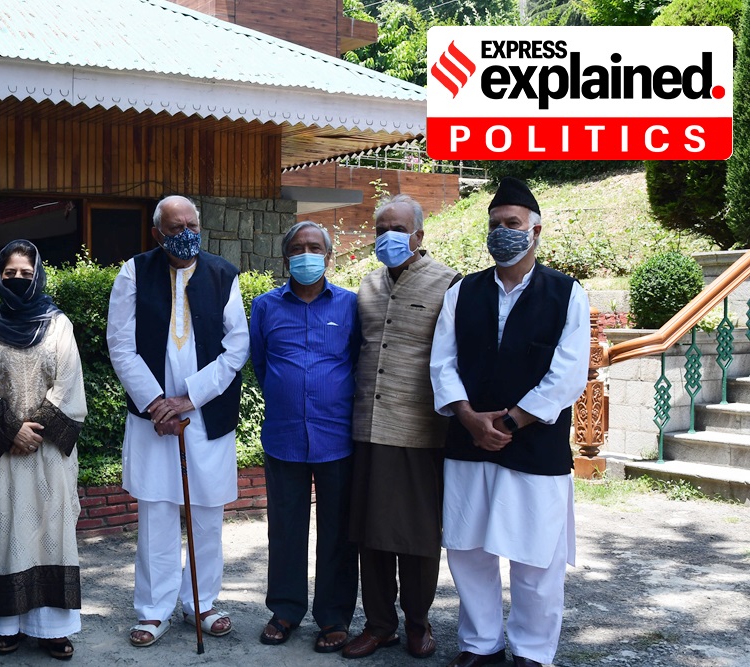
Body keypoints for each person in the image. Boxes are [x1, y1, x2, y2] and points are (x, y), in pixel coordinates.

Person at [430, 178, 589, 667]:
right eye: (495, 225)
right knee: (469, 550)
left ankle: (532, 651)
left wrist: (514, 420)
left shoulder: (566, 293)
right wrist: (470, 418)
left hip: (535, 445)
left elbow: (568, 373)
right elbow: (443, 362)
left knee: (535, 556)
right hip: (468, 439)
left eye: (513, 224)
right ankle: (481, 644)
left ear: (536, 230)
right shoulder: (463, 291)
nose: (503, 232)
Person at [106, 194, 249, 647]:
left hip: (206, 414)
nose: (185, 232)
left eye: (191, 223)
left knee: (207, 514)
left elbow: (238, 346)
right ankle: (154, 611)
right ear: (157, 233)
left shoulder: (223, 274)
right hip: (152, 418)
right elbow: (120, 345)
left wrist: (190, 397)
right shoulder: (133, 272)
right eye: (174, 227)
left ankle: (202, 603)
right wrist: (155, 404)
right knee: (157, 513)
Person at [344, 195, 460, 660]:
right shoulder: (367, 285)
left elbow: (454, 358)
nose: (387, 236)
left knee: (416, 535)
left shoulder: (449, 283)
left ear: (419, 235)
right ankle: (378, 625)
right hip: (367, 428)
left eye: (397, 228)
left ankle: (418, 622)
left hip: (418, 429)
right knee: (369, 534)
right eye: (380, 228)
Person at [0, 240, 87, 661]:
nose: (17, 280)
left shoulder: (58, 325)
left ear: (39, 277)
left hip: (50, 454)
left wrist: (33, 429)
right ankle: (9, 625)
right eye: (9, 273)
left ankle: (53, 629)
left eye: (26, 274)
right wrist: (11, 433)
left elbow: (69, 383)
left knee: (52, 534)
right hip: (3, 457)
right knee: (7, 531)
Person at [249, 221, 360, 653]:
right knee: (286, 529)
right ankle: (286, 610)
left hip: (337, 438)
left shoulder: (351, 305)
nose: (307, 254)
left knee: (337, 532)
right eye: (298, 248)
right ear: (286, 257)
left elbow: (357, 361)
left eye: (315, 247)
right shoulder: (265, 307)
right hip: (284, 436)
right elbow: (260, 364)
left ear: (329, 257)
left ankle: (333, 618)